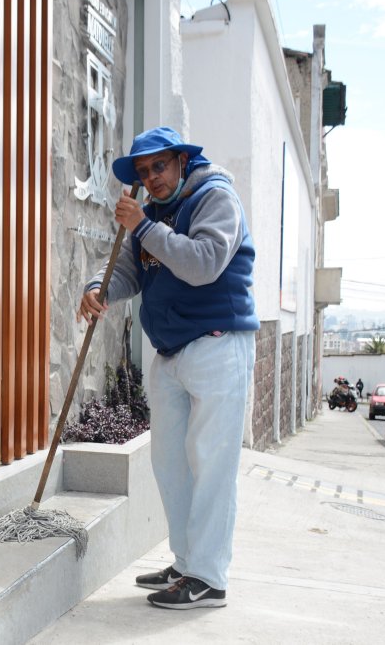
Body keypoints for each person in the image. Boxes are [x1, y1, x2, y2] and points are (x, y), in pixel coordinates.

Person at [76, 126, 258, 610]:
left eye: (159, 166)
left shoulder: (215, 198)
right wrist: (97, 289)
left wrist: (144, 227)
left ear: (181, 161)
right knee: (170, 463)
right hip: (172, 351)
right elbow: (126, 270)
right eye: (143, 171)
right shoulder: (151, 214)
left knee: (212, 464)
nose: (152, 178)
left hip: (218, 344)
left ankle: (209, 578)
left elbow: (203, 264)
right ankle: (186, 564)